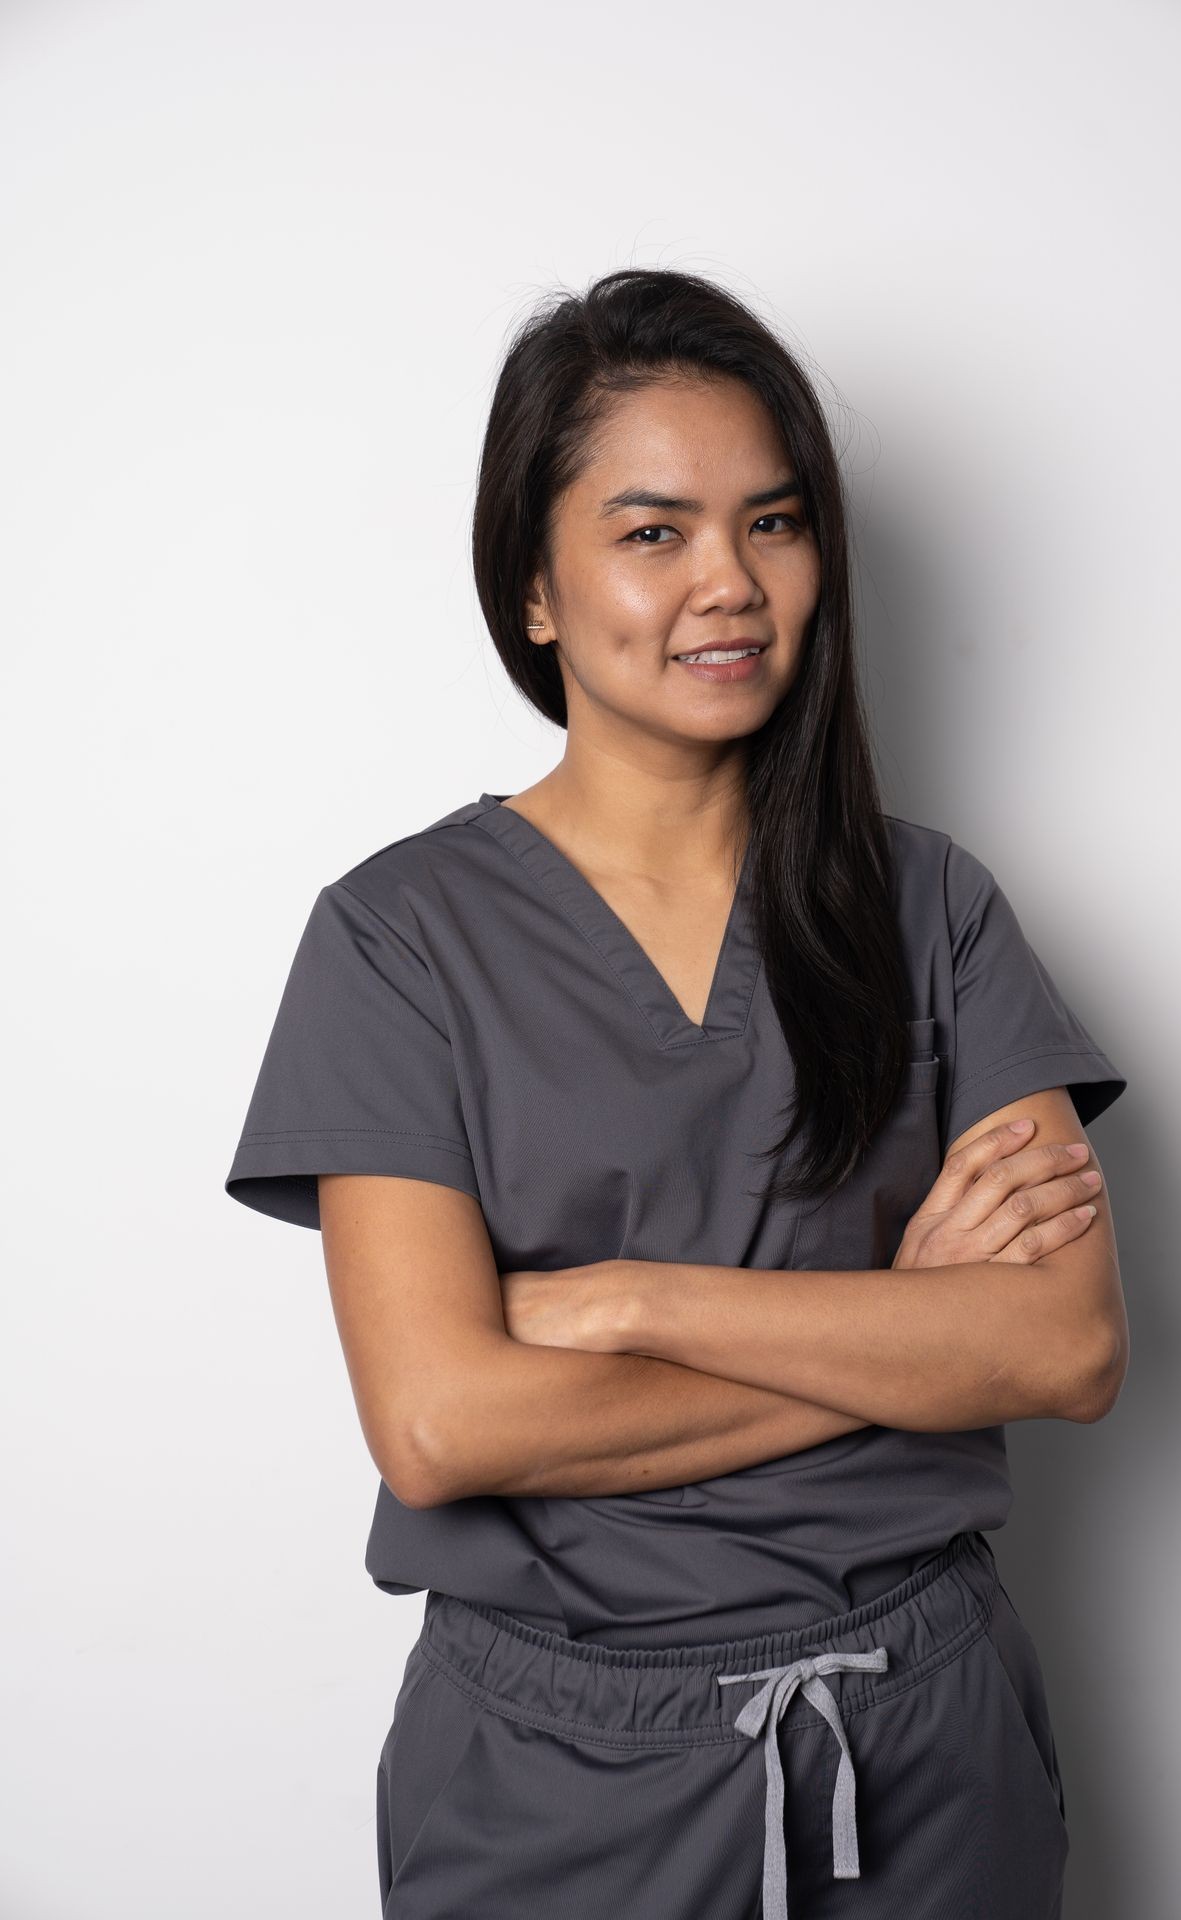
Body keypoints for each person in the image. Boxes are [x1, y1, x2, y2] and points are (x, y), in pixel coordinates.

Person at [224, 267, 1129, 1919]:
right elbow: (443, 1427)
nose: (730, 583)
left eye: (774, 524)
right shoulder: (397, 939)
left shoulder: (929, 908)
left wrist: (630, 1304)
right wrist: (906, 1335)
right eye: (654, 533)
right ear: (536, 591)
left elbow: (1062, 1347)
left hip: (927, 1747)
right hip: (558, 1776)